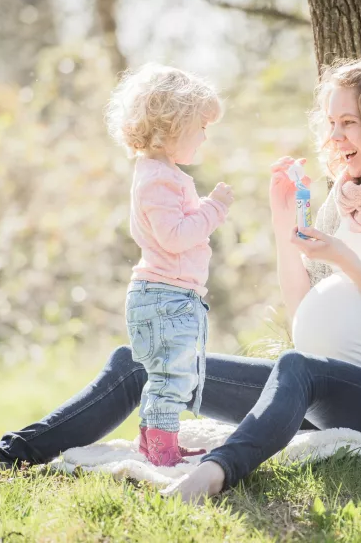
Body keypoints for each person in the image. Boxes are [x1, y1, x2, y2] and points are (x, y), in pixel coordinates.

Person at [0, 56, 361, 505]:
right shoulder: (342, 198)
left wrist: (346, 259)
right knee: (142, 359)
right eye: (331, 122)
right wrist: (281, 224)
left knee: (295, 368)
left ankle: (214, 474)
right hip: (301, 392)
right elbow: (304, 313)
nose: (336, 136)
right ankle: (4, 457)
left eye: (351, 122)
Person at [108, 63, 234, 466]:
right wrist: (214, 209)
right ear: (170, 127)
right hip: (167, 296)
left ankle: (154, 442)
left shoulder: (160, 173)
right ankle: (162, 451)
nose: (204, 136)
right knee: (172, 376)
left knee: (165, 372)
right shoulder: (159, 178)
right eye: (199, 126)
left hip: (167, 294)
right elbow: (175, 236)